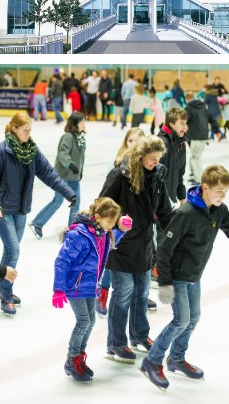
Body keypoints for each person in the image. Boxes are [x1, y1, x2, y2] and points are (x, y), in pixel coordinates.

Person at [140, 165, 229, 390]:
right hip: (178, 275)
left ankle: (176, 359)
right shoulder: (185, 213)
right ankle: (151, 361)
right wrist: (165, 283)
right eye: (220, 191)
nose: (223, 195)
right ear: (205, 187)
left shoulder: (219, 209)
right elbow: (164, 249)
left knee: (193, 318)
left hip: (194, 275)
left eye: (226, 192)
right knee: (181, 320)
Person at [0, 112, 77, 317]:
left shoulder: (31, 150)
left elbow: (49, 174)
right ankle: (6, 294)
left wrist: (69, 193)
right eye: (25, 130)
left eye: (30, 130)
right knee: (13, 250)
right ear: (14, 129)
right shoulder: (0, 152)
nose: (28, 134)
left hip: (21, 209)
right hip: (2, 210)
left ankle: (2, 287)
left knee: (11, 250)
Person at [99, 135, 175, 362]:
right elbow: (102, 204)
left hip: (144, 244)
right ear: (141, 156)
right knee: (123, 294)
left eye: (158, 158)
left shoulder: (157, 175)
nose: (155, 162)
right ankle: (116, 344)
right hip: (120, 244)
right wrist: (119, 219)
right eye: (151, 158)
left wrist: (176, 233)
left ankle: (139, 336)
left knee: (141, 293)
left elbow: (164, 211)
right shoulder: (120, 175)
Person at [53, 197, 130, 382]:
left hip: (89, 285)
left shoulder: (102, 233)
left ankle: (79, 356)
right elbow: (62, 261)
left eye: (113, 222)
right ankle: (71, 360)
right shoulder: (79, 235)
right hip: (75, 285)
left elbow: (108, 248)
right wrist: (58, 289)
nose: (111, 226)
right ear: (97, 216)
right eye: (109, 222)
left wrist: (121, 230)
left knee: (90, 321)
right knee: (83, 321)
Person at [96, 127, 146, 316]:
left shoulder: (148, 168)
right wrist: (115, 220)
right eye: (130, 141)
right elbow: (105, 199)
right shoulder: (119, 168)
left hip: (139, 225)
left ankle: (141, 291)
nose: (134, 145)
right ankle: (103, 290)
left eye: (138, 141)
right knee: (113, 258)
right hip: (119, 223)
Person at [29, 112, 86, 239]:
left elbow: (81, 157)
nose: (84, 124)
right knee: (58, 201)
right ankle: (37, 223)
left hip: (74, 177)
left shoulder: (80, 137)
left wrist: (80, 171)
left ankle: (72, 229)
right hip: (63, 175)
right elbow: (63, 153)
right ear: (75, 124)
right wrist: (70, 165)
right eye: (82, 121)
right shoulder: (68, 137)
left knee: (76, 202)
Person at [185, 94, 222, 185]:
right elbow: (212, 119)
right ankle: (194, 175)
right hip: (203, 136)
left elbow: (185, 121)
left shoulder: (188, 108)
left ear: (188, 99)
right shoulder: (203, 107)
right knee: (194, 156)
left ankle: (199, 179)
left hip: (196, 136)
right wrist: (217, 131)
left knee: (195, 157)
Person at [157, 108, 189, 206]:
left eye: (185, 123)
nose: (185, 127)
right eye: (181, 123)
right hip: (157, 202)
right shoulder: (161, 143)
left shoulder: (180, 144)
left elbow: (179, 174)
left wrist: (182, 197)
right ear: (171, 124)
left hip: (171, 200)